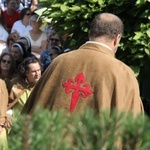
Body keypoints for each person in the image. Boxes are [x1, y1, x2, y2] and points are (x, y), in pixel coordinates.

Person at [22, 13, 144, 117]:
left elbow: (30, 110)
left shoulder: (59, 61)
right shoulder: (123, 73)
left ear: (90, 33)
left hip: (52, 143)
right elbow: (132, 125)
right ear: (117, 39)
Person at [0, 79, 10, 150]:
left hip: (1, 123)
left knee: (2, 138)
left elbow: (3, 105)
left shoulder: (1, 83)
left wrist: (1, 123)